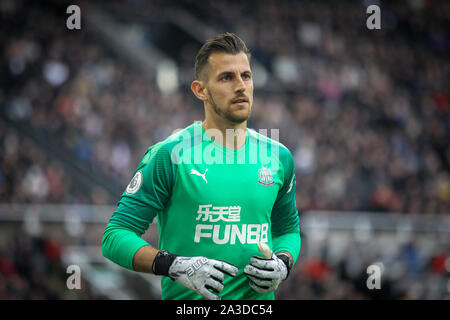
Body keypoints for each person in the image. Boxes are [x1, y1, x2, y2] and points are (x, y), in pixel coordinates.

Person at [102, 32, 301, 300]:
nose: (241, 86)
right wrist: (172, 264)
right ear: (200, 90)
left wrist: (283, 263)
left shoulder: (279, 157)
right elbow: (115, 236)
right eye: (227, 77)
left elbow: (288, 230)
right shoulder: (170, 155)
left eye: (247, 76)